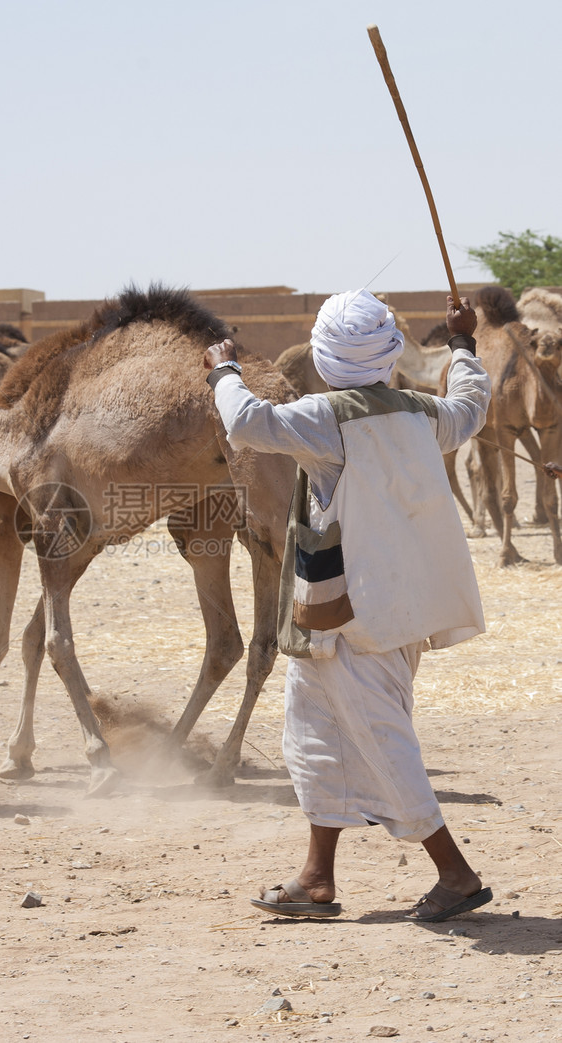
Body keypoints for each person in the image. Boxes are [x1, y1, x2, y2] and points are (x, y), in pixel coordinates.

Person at [205, 290, 494, 923]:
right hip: (383, 606)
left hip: (354, 611)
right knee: (314, 731)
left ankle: (456, 872)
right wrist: (463, 345)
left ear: (323, 356)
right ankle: (316, 879)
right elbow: (471, 405)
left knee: (380, 739)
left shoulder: (323, 418)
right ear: (390, 355)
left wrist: (223, 370)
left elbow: (246, 422)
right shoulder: (425, 413)